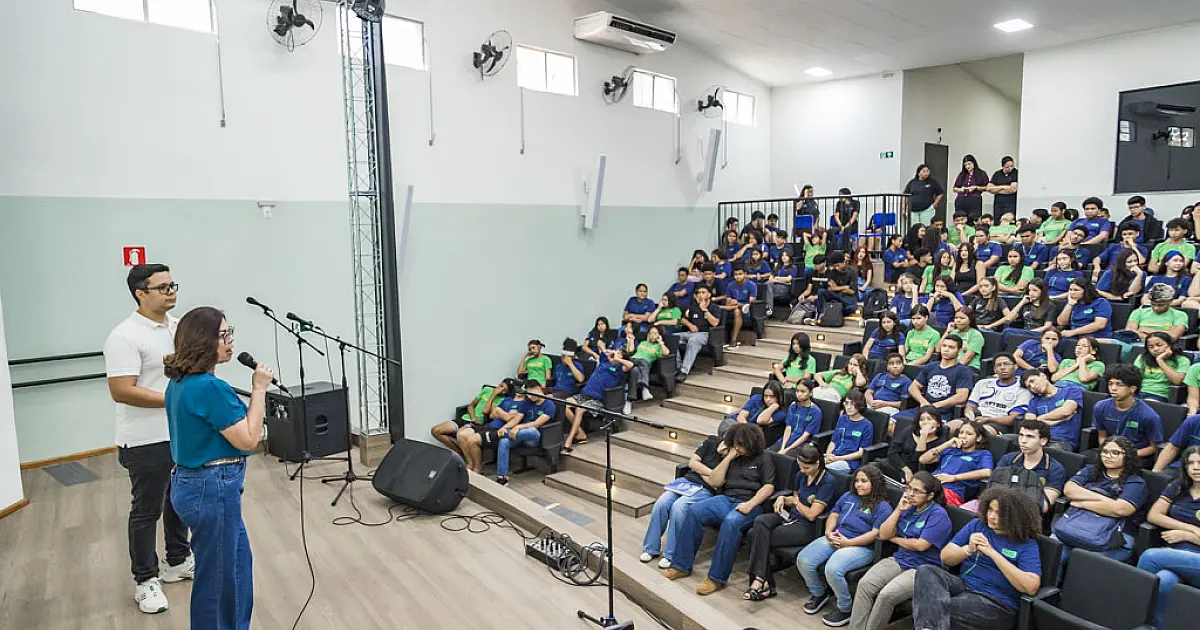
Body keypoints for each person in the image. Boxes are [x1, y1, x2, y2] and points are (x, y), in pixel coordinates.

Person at [163, 307, 270, 629]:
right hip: (211, 488)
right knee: (219, 580)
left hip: (198, 485)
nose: (230, 340)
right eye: (223, 335)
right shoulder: (208, 388)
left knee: (236, 565)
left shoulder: (181, 382)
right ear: (203, 341)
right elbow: (248, 439)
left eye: (229, 332)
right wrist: (259, 389)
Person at [103, 263, 192, 614]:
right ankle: (145, 579)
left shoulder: (178, 327)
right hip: (144, 439)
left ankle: (178, 560)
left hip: (179, 432)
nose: (171, 292)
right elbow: (122, 390)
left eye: (173, 285)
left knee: (178, 500)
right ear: (140, 294)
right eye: (163, 287)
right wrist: (174, 399)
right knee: (147, 510)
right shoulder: (125, 336)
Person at [665, 424, 776, 595]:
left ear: (750, 443)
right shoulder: (732, 456)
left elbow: (768, 487)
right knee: (694, 511)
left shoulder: (764, 457)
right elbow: (715, 481)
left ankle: (716, 578)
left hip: (750, 503)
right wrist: (728, 457)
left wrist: (750, 504)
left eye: (740, 445)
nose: (737, 447)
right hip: (726, 499)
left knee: (731, 522)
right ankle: (681, 565)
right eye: (735, 444)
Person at [911, 488, 1043, 630]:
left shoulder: (1026, 544)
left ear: (1014, 517)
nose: (991, 516)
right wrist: (968, 549)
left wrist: (992, 553)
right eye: (990, 510)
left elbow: (1031, 587)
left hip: (997, 603)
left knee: (938, 607)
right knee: (926, 571)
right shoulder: (977, 525)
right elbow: (945, 557)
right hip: (964, 585)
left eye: (999, 513)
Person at [849, 471, 953, 630]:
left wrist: (895, 539)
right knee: (865, 584)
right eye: (909, 488)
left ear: (930, 495)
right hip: (900, 559)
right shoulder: (907, 507)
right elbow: (884, 534)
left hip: (922, 569)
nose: (910, 494)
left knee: (886, 595)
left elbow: (921, 545)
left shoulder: (938, 515)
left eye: (916, 491)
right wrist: (898, 509)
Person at [797, 465, 894, 626]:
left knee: (833, 569)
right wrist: (828, 531)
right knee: (804, 559)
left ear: (875, 483)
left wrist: (848, 543)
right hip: (836, 536)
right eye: (857, 481)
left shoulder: (883, 507)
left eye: (864, 481)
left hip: (861, 546)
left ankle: (845, 608)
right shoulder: (848, 496)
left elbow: (875, 534)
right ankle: (819, 593)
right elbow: (834, 514)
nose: (859, 485)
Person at [744, 444, 835, 600]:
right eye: (800, 466)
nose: (802, 470)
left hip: (806, 526)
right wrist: (782, 498)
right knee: (760, 521)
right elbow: (794, 499)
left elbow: (812, 515)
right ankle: (762, 580)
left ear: (817, 464)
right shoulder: (800, 475)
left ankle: (761, 581)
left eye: (806, 468)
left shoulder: (827, 481)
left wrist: (796, 502)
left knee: (755, 535)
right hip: (790, 516)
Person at [1056, 436, 1147, 571]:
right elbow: (1069, 489)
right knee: (1055, 554)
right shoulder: (1091, 471)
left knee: (1083, 563)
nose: (1108, 456)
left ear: (1127, 456)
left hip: (1114, 537)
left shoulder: (1135, 482)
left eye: (1115, 453)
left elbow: (1121, 510)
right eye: (1104, 452)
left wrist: (1083, 503)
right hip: (1077, 524)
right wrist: (1107, 502)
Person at [640, 433, 726, 569]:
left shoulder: (731, 459)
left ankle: (671, 554)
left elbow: (716, 483)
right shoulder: (710, 443)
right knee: (661, 503)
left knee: (679, 507)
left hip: (705, 490)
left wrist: (700, 470)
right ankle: (650, 548)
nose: (722, 448)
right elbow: (692, 463)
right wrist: (710, 473)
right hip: (686, 482)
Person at [1138, 445, 1200, 628]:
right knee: (1164, 580)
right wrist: (1191, 529)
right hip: (1175, 556)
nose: (1196, 468)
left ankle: (1131, 611)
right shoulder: (1178, 486)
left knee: (1150, 556)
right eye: (1190, 463)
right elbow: (1154, 515)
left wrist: (1189, 536)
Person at [562, 348, 632, 452]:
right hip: (585, 394)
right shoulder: (604, 361)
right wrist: (609, 353)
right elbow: (601, 348)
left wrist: (617, 359)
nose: (615, 353)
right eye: (616, 351)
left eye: (618, 353)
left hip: (598, 399)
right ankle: (580, 433)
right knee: (564, 404)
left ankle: (569, 440)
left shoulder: (619, 369)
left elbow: (630, 365)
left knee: (579, 410)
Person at [994, 420, 1067, 513]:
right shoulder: (1008, 459)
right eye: (1021, 435)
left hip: (1030, 515)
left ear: (1043, 441)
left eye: (1030, 436)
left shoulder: (1055, 469)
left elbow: (1044, 506)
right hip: (1000, 510)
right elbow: (994, 490)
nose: (1023, 441)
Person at [1094, 365, 1164, 462]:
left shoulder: (1148, 416)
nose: (1113, 388)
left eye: (1119, 384)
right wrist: (1107, 452)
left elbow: (1153, 447)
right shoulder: (1100, 407)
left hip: (1135, 456)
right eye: (1110, 384)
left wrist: (1126, 456)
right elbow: (1102, 436)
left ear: (1132, 389)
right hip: (1109, 452)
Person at [494, 381, 555, 485]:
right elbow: (516, 419)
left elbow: (536, 424)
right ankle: (502, 476)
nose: (530, 397)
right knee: (504, 442)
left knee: (532, 430)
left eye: (532, 393)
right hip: (518, 435)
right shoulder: (526, 402)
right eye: (528, 394)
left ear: (538, 388)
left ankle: (493, 436)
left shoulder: (549, 404)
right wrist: (504, 428)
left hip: (534, 438)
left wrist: (518, 427)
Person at [920, 421, 993, 507]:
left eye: (969, 434)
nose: (963, 436)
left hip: (952, 490)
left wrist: (954, 477)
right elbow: (923, 460)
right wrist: (947, 444)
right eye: (961, 433)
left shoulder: (983, 454)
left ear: (978, 438)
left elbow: (987, 472)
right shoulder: (951, 450)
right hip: (930, 484)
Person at [901, 337, 973, 422]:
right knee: (892, 423)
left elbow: (962, 396)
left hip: (942, 414)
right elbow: (912, 387)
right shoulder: (931, 366)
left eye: (951, 347)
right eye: (944, 346)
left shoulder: (963, 371)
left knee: (926, 427)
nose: (946, 349)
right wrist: (923, 402)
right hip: (922, 410)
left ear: (959, 351)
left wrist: (936, 405)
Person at [960, 353, 1031, 436]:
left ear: (1015, 367)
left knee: (976, 433)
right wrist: (969, 413)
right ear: (994, 370)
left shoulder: (1022, 388)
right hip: (976, 419)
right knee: (951, 426)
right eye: (998, 365)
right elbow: (970, 406)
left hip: (999, 424)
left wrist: (989, 420)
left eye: (1006, 364)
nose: (1002, 367)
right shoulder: (982, 383)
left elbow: (1012, 419)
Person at [431, 383, 495, 470]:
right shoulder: (487, 389)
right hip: (465, 419)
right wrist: (473, 417)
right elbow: (471, 406)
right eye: (501, 385)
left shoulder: (502, 399)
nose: (499, 387)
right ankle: (460, 454)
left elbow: (486, 411)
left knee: (461, 435)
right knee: (436, 431)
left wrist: (494, 395)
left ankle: (469, 463)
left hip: (476, 424)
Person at [1022, 368, 1083, 451]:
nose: (1033, 386)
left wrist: (1040, 418)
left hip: (1062, 441)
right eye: (1029, 386)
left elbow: (1066, 411)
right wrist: (1059, 420)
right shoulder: (1034, 401)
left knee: (1047, 451)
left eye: (1032, 381)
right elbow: (1030, 423)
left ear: (1043, 376)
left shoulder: (1071, 391)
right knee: (1008, 439)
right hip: (1037, 439)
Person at [884, 407, 946, 483]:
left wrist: (923, 436)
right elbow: (892, 452)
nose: (925, 422)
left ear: (938, 424)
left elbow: (918, 462)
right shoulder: (910, 430)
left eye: (929, 419)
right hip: (897, 466)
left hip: (918, 477)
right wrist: (905, 469)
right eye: (922, 420)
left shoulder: (941, 442)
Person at [674, 285, 721, 383]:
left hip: (706, 334)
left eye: (703, 292)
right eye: (698, 293)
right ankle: (678, 367)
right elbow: (682, 319)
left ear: (709, 294)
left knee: (693, 340)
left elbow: (715, 323)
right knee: (672, 338)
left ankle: (684, 372)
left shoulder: (714, 307)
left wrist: (705, 310)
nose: (700, 295)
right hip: (692, 332)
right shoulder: (693, 307)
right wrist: (690, 325)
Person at [717, 380, 786, 443]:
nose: (768, 399)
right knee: (732, 434)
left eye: (772, 396)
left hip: (748, 435)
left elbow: (760, 420)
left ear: (779, 397)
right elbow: (740, 417)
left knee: (734, 439)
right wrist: (748, 430)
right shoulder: (757, 398)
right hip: (735, 424)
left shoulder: (781, 413)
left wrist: (774, 406)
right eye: (766, 396)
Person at [824, 390, 876, 472]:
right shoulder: (842, 418)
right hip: (834, 456)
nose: (849, 407)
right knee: (814, 463)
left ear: (860, 405)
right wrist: (828, 456)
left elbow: (860, 453)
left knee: (823, 468)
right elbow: (833, 442)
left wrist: (837, 458)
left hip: (849, 462)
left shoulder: (867, 425)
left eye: (852, 404)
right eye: (846, 403)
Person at [998, 280, 1060, 346]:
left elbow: (1047, 326)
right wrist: (1022, 303)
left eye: (1035, 290)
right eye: (1029, 290)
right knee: (1007, 331)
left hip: (1038, 333)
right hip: (1025, 331)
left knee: (1008, 331)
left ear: (1042, 292)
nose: (1031, 293)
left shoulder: (1050, 306)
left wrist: (1030, 332)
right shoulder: (1026, 304)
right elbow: (1009, 318)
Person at [1134, 332, 1190, 403]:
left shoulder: (1182, 360)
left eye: (1159, 345)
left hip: (1160, 395)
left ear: (1169, 345)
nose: (1155, 349)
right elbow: (1134, 378)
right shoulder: (1142, 358)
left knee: (1144, 403)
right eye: (1151, 347)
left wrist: (1160, 360)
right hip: (1138, 392)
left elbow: (1177, 381)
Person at [778, 379, 822, 455]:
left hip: (801, 444)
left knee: (785, 458)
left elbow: (805, 436)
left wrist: (787, 449)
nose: (799, 394)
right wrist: (783, 447)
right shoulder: (793, 405)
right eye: (797, 391)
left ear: (810, 393)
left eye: (803, 391)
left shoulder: (816, 411)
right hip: (787, 440)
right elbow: (788, 427)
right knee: (769, 453)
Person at [628, 325, 671, 403]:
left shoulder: (658, 347)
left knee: (635, 371)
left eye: (655, 333)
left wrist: (661, 343)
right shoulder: (643, 343)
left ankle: (630, 399)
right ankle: (645, 389)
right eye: (650, 333)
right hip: (634, 360)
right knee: (644, 361)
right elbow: (631, 351)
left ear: (659, 335)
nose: (652, 335)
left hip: (641, 366)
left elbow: (667, 353)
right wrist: (630, 341)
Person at [866, 353, 912, 420]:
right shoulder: (879, 376)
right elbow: (868, 392)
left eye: (898, 363)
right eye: (891, 364)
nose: (895, 366)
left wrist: (885, 404)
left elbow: (903, 403)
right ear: (887, 366)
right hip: (872, 404)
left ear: (903, 365)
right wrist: (871, 402)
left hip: (890, 407)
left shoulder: (906, 381)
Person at [721, 264, 758, 349]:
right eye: (736, 274)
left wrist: (737, 303)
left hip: (746, 310)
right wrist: (732, 302)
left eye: (740, 274)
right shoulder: (730, 285)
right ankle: (722, 339)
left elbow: (751, 302)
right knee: (725, 311)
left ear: (745, 274)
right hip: (731, 308)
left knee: (737, 311)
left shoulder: (752, 285)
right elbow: (728, 302)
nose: (737, 276)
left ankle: (733, 340)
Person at [815, 251, 858, 320]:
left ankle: (836, 312)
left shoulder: (852, 272)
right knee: (821, 292)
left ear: (844, 262)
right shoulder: (832, 272)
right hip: (836, 295)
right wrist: (845, 287)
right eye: (835, 266)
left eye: (838, 265)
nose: (837, 268)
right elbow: (831, 288)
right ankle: (821, 315)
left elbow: (852, 291)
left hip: (847, 297)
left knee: (850, 307)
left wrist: (837, 288)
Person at [944, 307, 985, 374]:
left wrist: (951, 370)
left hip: (969, 367)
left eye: (962, 318)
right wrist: (948, 331)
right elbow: (938, 349)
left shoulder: (975, 335)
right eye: (956, 318)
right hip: (950, 365)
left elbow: (967, 358)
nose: (958, 320)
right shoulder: (954, 332)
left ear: (970, 320)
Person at [952, 154, 989, 222]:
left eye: (969, 164)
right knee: (960, 219)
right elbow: (954, 188)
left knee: (973, 220)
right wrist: (961, 189)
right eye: (965, 165)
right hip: (961, 200)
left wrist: (976, 187)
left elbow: (987, 187)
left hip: (974, 200)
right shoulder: (962, 174)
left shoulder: (981, 174)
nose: (967, 166)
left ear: (974, 163)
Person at [764, 250, 800, 316]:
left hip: (785, 288)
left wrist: (776, 278)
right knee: (766, 286)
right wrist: (779, 280)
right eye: (782, 255)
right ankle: (767, 308)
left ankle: (769, 308)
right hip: (775, 287)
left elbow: (788, 279)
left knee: (768, 286)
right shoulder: (778, 266)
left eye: (786, 255)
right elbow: (770, 278)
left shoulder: (793, 267)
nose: (784, 257)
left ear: (789, 257)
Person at [986, 156, 1018, 221]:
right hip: (998, 203)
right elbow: (989, 188)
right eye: (1007, 167)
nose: (1010, 168)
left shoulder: (1015, 172)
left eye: (1012, 166)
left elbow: (1013, 189)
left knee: (1007, 220)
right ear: (1003, 166)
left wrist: (996, 188)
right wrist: (1005, 187)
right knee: (997, 220)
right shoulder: (997, 174)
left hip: (1010, 203)